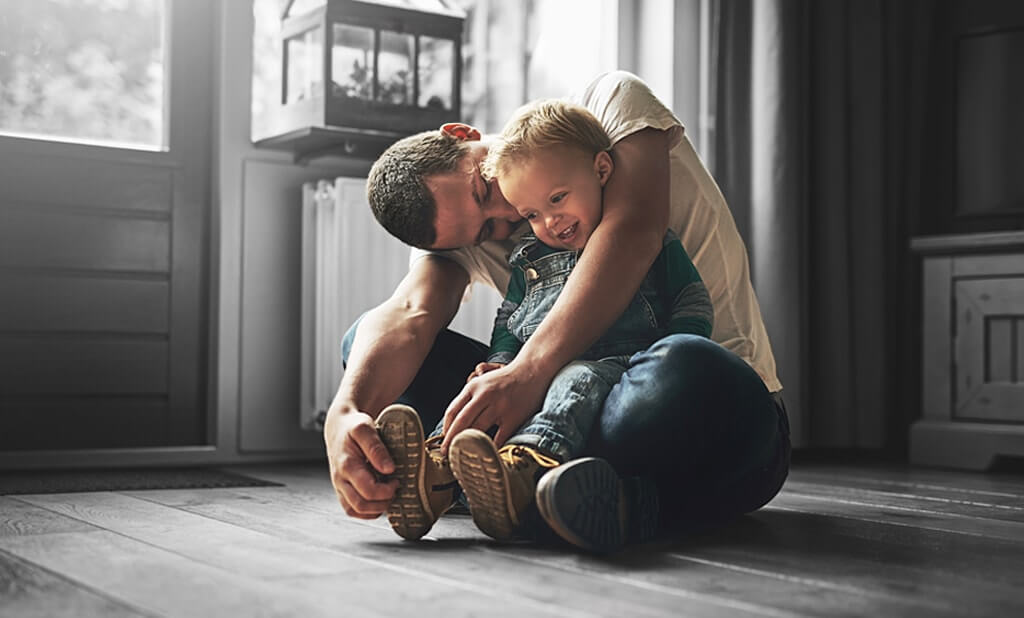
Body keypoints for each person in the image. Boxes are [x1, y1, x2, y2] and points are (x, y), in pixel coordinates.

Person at [325, 71, 790, 552]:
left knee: (681, 363)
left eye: (484, 192)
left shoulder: (607, 104)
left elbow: (633, 233)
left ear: (461, 135)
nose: (508, 218)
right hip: (565, 414)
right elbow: (410, 311)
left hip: (702, 414)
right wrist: (346, 410)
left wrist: (528, 372)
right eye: (485, 233)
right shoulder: (461, 237)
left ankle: (502, 488)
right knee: (362, 347)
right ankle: (514, 480)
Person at [376, 99, 717, 550]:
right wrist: (499, 363)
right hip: (536, 375)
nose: (522, 221)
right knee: (466, 387)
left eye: (483, 192)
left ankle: (525, 472)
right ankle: (437, 470)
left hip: (630, 375)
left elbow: (673, 279)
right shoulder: (524, 253)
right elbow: (501, 317)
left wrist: (672, 350)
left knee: (607, 374)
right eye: (531, 214)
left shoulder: (606, 130)